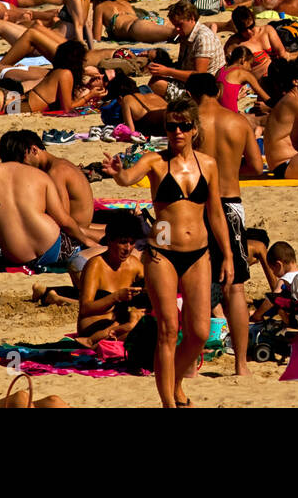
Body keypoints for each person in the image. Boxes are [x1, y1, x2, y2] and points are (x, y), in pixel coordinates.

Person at [103, 98, 234, 407]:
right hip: (162, 254)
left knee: (200, 331)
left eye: (184, 126)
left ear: (195, 130)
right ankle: (168, 403)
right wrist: (117, 173)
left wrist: (227, 253)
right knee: (168, 328)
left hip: (198, 253)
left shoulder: (208, 164)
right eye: (171, 126)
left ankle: (173, 381)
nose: (177, 131)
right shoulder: (155, 161)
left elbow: (215, 212)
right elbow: (128, 178)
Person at [187, 72, 262, 375]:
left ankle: (192, 364)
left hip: (197, 205)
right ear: (218, 90)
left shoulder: (190, 123)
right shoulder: (239, 121)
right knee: (236, 288)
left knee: (196, 285)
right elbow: (257, 166)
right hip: (231, 205)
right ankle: (242, 365)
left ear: (192, 94)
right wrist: (230, 171)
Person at [0, 159, 99, 271]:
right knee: (83, 233)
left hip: (16, 257)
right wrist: (87, 242)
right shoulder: (40, 175)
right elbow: (64, 220)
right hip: (54, 249)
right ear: (26, 153)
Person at [72, 212, 146, 343]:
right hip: (93, 325)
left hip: (119, 324)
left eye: (132, 243)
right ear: (110, 240)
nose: (128, 248)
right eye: (123, 243)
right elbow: (85, 308)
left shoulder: (134, 265)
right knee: (139, 339)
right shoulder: (96, 265)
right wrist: (116, 297)